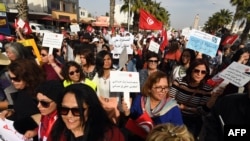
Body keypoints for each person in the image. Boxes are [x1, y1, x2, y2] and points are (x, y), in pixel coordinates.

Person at [48, 83, 125, 141]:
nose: (69, 115)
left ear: (91, 109)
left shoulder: (110, 135)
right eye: (64, 109)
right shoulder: (58, 131)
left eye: (77, 110)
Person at [122, 71, 183, 140]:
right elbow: (132, 118)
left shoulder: (173, 108)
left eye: (165, 87)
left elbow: (179, 132)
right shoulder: (140, 99)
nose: (163, 91)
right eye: (159, 87)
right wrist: (127, 112)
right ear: (149, 88)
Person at [169, 58, 220, 139]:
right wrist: (177, 106)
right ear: (191, 70)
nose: (199, 74)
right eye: (196, 71)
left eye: (203, 72)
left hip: (192, 122)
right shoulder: (179, 81)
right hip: (174, 117)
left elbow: (202, 111)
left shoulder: (206, 89)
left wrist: (213, 98)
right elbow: (170, 98)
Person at [0, 59, 46, 141]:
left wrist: (35, 131)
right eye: (11, 78)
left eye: (16, 79)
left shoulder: (41, 93)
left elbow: (49, 118)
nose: (13, 82)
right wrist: (10, 111)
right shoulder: (22, 90)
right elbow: (20, 108)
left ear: (27, 76)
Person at [93, 50, 121, 124]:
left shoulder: (117, 74)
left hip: (114, 108)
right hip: (101, 108)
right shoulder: (97, 75)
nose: (107, 62)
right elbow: (91, 88)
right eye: (104, 60)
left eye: (108, 59)